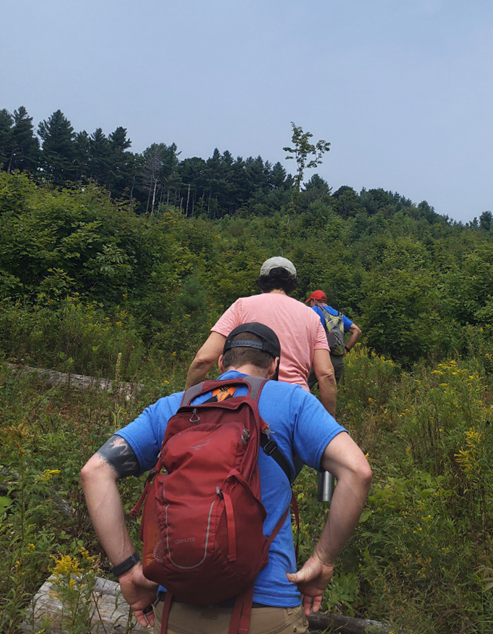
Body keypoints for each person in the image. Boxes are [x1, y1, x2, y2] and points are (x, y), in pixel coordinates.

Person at [81, 323, 371, 634]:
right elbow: (357, 471)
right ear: (274, 366)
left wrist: (127, 570)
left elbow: (94, 471)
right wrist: (323, 560)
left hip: (178, 607)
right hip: (267, 610)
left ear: (221, 363)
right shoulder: (293, 401)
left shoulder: (175, 406)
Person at [185, 257, 337, 416]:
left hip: (244, 400)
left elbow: (203, 359)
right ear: (292, 284)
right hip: (295, 403)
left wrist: (187, 403)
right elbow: (326, 375)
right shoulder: (311, 317)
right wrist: (328, 421)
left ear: (262, 282)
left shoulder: (241, 306)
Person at [306, 291, 361, 385]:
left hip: (319, 358)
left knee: (302, 388)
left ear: (314, 301)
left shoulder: (314, 310)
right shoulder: (338, 314)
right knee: (329, 394)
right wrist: (346, 349)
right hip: (337, 359)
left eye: (310, 302)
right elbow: (357, 331)